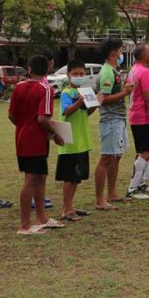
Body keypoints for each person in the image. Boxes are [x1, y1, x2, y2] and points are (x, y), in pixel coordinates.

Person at [9, 55, 65, 234]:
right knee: (31, 179)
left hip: (22, 138)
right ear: (48, 70)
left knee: (39, 176)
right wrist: (55, 133)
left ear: (29, 69)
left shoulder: (18, 87)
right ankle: (25, 225)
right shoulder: (46, 89)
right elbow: (42, 118)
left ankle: (42, 217)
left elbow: (12, 115)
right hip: (36, 140)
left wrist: (24, 126)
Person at [57, 59, 99, 221]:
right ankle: (66, 210)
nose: (79, 76)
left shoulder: (84, 91)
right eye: (75, 74)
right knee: (70, 178)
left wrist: (95, 104)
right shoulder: (67, 93)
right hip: (70, 143)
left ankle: (71, 207)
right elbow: (67, 111)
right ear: (68, 75)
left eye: (82, 73)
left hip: (82, 141)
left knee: (77, 178)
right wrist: (81, 101)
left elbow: (84, 114)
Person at [95, 39, 134, 211]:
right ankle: (99, 199)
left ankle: (112, 192)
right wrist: (125, 92)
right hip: (111, 119)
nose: (121, 54)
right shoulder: (107, 72)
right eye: (120, 51)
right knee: (106, 158)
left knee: (116, 156)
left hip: (119, 118)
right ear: (113, 53)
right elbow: (104, 99)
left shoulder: (113, 70)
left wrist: (123, 90)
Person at [125, 44, 149, 200]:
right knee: (145, 152)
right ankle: (133, 188)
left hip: (135, 114)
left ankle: (140, 183)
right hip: (142, 116)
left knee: (143, 151)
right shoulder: (144, 72)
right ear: (144, 56)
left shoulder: (133, 70)